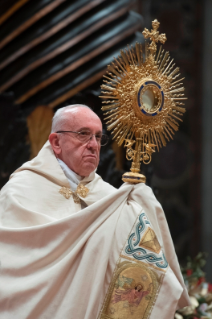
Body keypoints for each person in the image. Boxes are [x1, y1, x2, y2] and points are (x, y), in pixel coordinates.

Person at [0, 105, 190, 319]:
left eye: (98, 137)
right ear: (56, 142)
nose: (93, 145)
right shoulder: (19, 192)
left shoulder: (112, 198)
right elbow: (9, 266)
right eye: (83, 134)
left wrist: (138, 209)